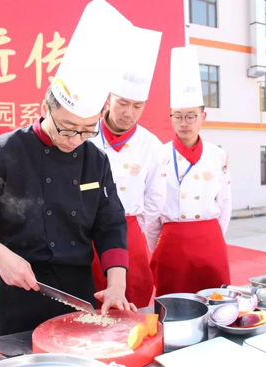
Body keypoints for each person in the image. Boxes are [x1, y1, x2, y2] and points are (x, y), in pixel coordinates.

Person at [0, 0, 137, 337]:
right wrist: (2, 256)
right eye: (66, 127)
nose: (75, 139)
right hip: (18, 289)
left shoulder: (95, 159)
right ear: (44, 108)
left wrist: (116, 283)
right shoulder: (6, 150)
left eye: (87, 129)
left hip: (78, 290)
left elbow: (110, 223)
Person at [89, 27, 164, 308]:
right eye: (122, 103)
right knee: (86, 309)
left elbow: (154, 199)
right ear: (109, 98)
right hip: (84, 235)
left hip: (130, 233)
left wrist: (132, 228)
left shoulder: (151, 145)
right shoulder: (84, 134)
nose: (128, 113)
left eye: (137, 106)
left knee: (133, 304)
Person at [150, 46, 232, 296]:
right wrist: (158, 244)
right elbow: (152, 209)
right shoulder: (159, 154)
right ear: (171, 117)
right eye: (178, 116)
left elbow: (225, 204)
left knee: (214, 299)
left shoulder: (218, 155)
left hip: (209, 239)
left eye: (191, 116)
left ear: (203, 116)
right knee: (173, 300)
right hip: (172, 240)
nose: (184, 123)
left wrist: (213, 236)